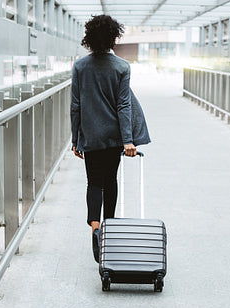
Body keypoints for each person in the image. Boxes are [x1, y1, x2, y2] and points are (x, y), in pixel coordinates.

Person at [71, 15, 145, 263]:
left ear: (89, 38)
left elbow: (75, 106)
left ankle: (95, 228)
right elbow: (124, 106)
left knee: (93, 182)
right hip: (114, 137)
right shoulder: (122, 67)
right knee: (110, 181)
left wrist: (75, 138)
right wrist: (128, 140)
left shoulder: (80, 67)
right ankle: (109, 230)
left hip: (90, 135)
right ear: (114, 37)